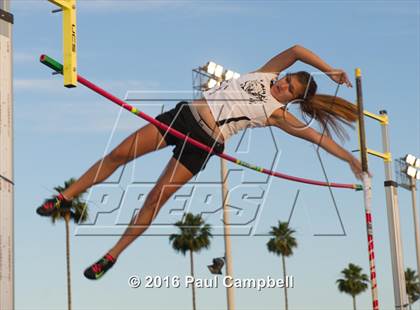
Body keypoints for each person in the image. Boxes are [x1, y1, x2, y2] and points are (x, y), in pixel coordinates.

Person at [36, 45, 364, 280]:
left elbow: (319, 138)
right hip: (184, 117)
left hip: (205, 143)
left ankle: (112, 256)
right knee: (120, 154)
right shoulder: (266, 74)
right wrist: (329, 69)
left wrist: (349, 157)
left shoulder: (277, 115)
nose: (282, 84)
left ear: (293, 99)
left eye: (288, 88)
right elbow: (296, 49)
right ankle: (63, 197)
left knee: (155, 197)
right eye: (286, 78)